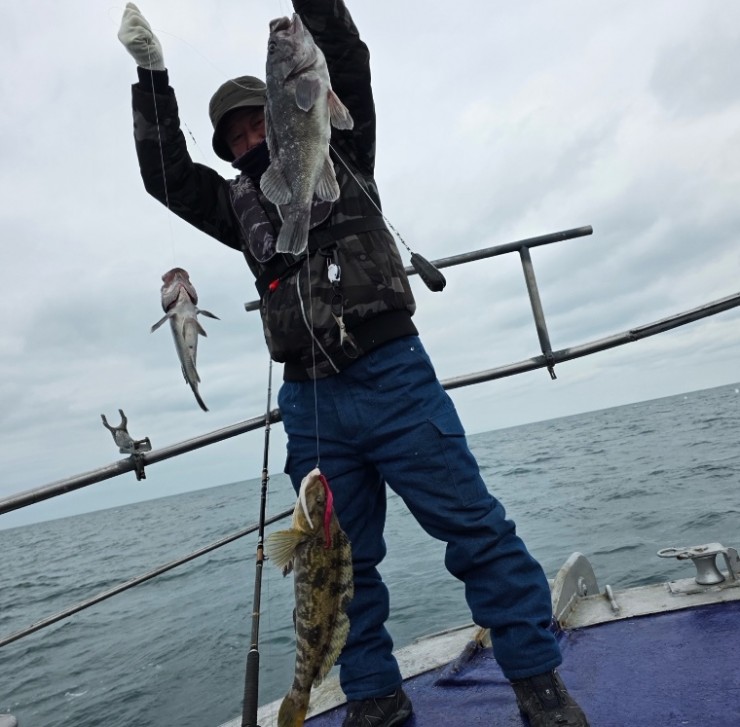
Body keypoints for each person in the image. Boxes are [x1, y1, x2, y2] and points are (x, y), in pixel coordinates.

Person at [117, 2, 590, 726]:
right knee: (336, 565)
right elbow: (166, 176)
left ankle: (536, 678)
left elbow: (344, 52)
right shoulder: (237, 203)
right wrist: (152, 74)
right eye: (234, 137)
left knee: (475, 529)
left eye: (256, 122)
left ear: (287, 109)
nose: (248, 140)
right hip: (310, 405)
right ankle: (372, 693)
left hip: (391, 373)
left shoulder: (343, 145)